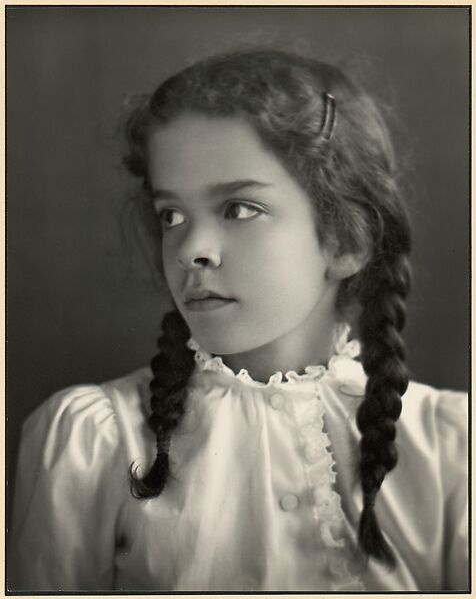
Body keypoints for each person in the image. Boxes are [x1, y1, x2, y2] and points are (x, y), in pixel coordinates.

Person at [10, 50, 467, 592]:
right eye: (172, 216)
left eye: (239, 209)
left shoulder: (452, 452)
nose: (191, 250)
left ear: (346, 239)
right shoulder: (93, 443)